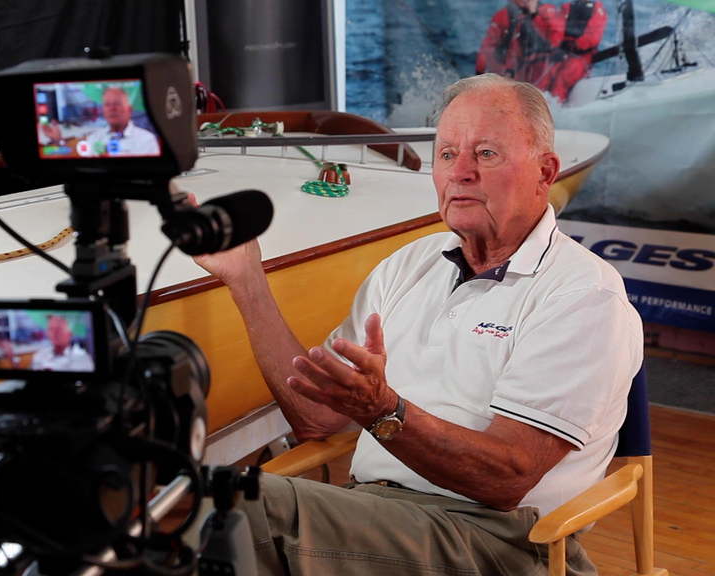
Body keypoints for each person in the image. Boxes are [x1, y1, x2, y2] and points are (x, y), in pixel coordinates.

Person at [193, 74, 642, 575]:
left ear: (545, 172)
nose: (461, 172)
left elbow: (507, 479)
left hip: (504, 542)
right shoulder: (407, 266)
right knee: (201, 502)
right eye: (447, 154)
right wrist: (246, 278)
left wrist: (385, 409)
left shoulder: (582, 293)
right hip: (378, 515)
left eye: (487, 153)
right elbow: (314, 419)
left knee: (227, 510)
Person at [40, 86, 160, 157]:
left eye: (117, 103)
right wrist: (58, 140)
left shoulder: (147, 139)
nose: (112, 108)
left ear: (129, 110)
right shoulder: (94, 138)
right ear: (103, 110)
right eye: (107, 104)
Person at [477, 0, 565, 85]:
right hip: (512, 71)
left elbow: (557, 33)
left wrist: (533, 14)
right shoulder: (503, 16)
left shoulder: (548, 12)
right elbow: (487, 47)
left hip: (543, 68)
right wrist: (479, 73)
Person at [537, 0, 608, 102]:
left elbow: (593, 36)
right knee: (545, 76)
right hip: (563, 53)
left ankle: (555, 105)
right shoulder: (566, 8)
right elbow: (557, 28)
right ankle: (532, 107)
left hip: (581, 57)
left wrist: (575, 44)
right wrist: (556, 47)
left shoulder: (597, 10)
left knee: (564, 77)